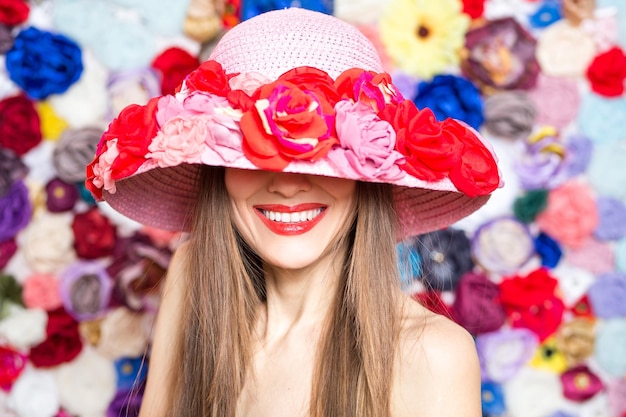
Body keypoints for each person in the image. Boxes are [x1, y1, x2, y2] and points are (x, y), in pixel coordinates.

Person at [86, 8, 502, 417]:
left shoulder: (433, 357)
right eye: (253, 155)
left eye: (323, 158)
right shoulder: (192, 277)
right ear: (217, 173)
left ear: (368, 179)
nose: (287, 184)